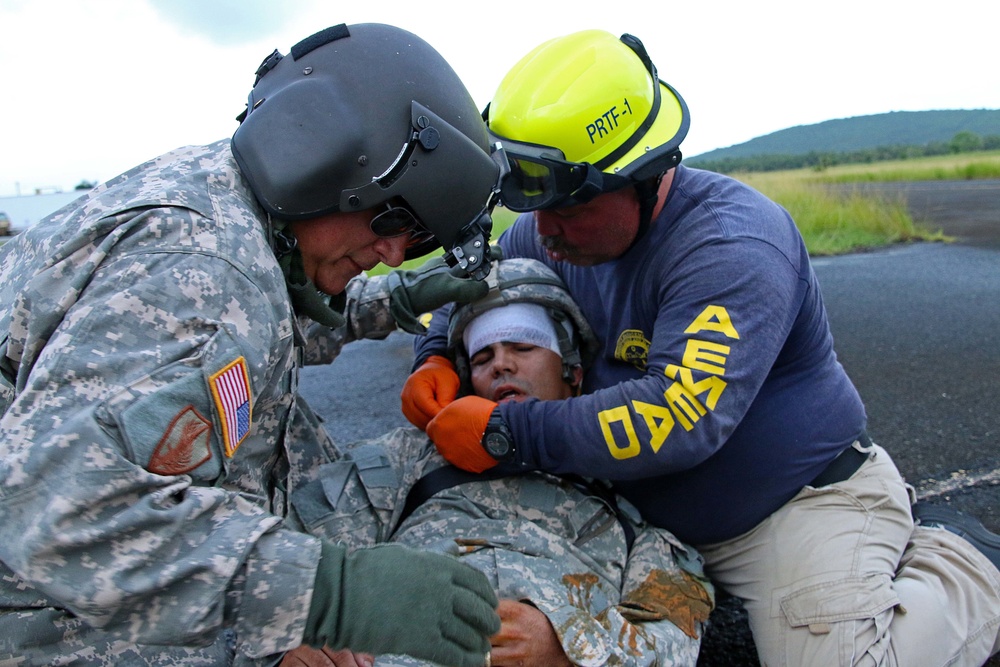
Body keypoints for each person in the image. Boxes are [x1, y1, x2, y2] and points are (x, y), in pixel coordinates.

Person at [403, 29, 1000, 666]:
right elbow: (477, 281)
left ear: (640, 176)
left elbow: (678, 417)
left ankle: (963, 566)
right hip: (643, 524)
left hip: (787, 511)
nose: (543, 231)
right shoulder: (553, 232)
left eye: (568, 209)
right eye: (532, 205)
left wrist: (505, 432)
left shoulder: (731, 245)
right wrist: (437, 352)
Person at [0, 23, 507, 666]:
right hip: (47, 607)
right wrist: (323, 600)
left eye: (414, 240)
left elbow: (272, 316)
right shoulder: (203, 272)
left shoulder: (225, 202)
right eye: (395, 219)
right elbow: (58, 511)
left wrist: (399, 298)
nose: (392, 252)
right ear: (322, 156)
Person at [283, 257, 714, 667]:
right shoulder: (411, 457)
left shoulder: (625, 494)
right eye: (482, 358)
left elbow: (674, 630)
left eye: (523, 346)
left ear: (573, 371)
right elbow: (296, 557)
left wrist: (566, 651)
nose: (501, 364)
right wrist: (296, 638)